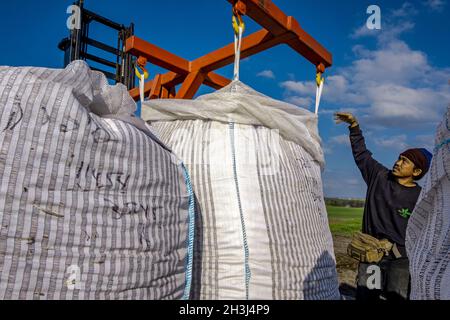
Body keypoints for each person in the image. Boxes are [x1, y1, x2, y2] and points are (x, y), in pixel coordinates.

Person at [334, 112, 432, 300]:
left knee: (398, 297)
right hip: (371, 255)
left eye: (405, 161)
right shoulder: (379, 176)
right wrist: (354, 126)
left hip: (401, 260)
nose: (398, 162)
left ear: (417, 171)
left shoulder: (421, 198)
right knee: (367, 296)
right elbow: (361, 154)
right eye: (399, 158)